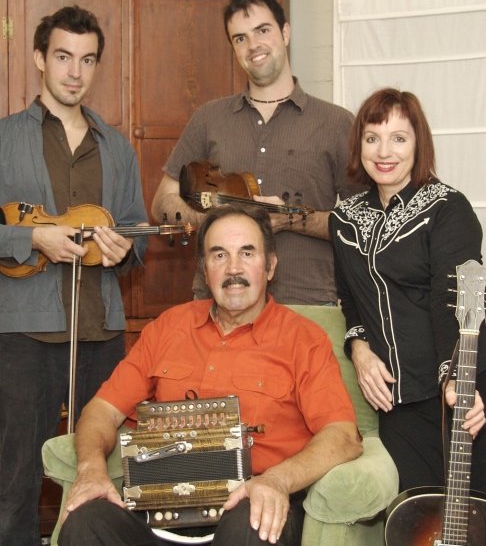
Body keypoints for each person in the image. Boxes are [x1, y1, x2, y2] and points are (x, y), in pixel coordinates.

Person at [58, 203, 362, 546]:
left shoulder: (304, 340)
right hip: (156, 514)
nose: (234, 268)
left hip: (250, 511)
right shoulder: (168, 327)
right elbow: (101, 410)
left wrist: (277, 480)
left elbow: (342, 436)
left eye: (247, 253)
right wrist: (91, 469)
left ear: (271, 265)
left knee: (252, 524)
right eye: (219, 256)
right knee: (85, 522)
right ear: (204, 270)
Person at [0, 5, 148, 546]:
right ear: (40, 59)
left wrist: (121, 251)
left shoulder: (118, 148)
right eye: (63, 57)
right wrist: (31, 238)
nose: (74, 72)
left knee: (108, 470)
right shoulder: (3, 138)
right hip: (22, 335)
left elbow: (135, 235)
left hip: (101, 332)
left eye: (87, 60)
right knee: (13, 479)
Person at [152, 0, 359, 306]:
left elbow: (365, 225)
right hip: (218, 303)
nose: (253, 46)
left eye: (263, 30)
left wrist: (292, 220)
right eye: (240, 38)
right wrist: (216, 217)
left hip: (307, 303)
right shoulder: (209, 118)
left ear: (285, 32)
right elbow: (162, 202)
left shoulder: (337, 123)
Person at [329, 87, 486, 493]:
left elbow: (450, 303)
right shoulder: (344, 219)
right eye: (372, 137)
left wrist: (459, 382)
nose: (385, 151)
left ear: (419, 145)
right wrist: (359, 349)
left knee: (472, 516)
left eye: (399, 137)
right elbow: (351, 299)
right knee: (413, 522)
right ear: (358, 145)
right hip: (397, 400)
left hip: (459, 389)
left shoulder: (448, 209)